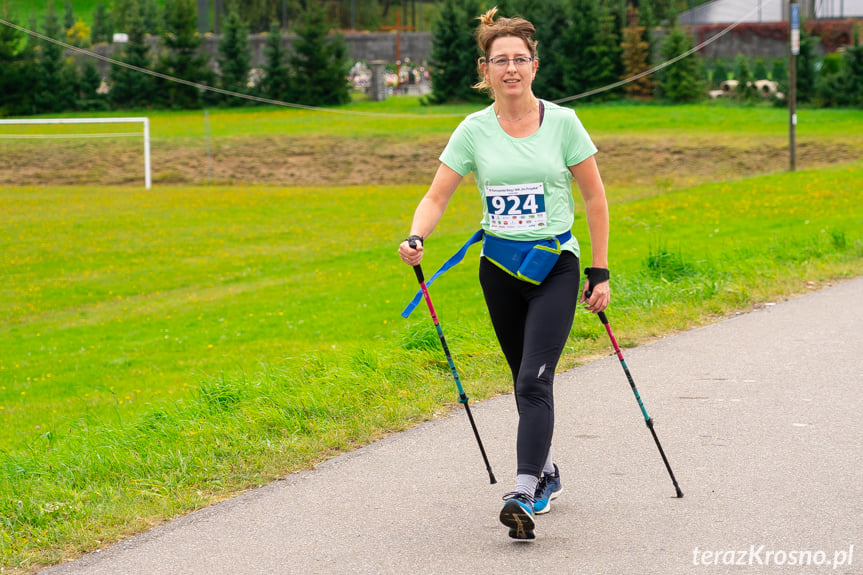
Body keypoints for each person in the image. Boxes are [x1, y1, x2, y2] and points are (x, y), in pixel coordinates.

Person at [398, 6, 610, 541]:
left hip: (556, 268)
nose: (510, 68)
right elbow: (437, 194)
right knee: (523, 382)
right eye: (501, 60)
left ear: (534, 66)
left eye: (520, 59)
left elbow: (594, 197)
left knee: (534, 380)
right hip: (498, 269)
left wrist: (599, 269)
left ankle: (522, 491)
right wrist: (417, 237)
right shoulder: (472, 130)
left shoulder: (562, 122)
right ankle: (548, 472)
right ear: (485, 69)